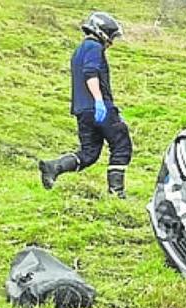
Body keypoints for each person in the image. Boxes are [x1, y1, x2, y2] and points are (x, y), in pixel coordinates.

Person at [37, 12, 132, 198]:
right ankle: (116, 193)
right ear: (102, 32)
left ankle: (54, 167)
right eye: (111, 37)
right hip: (99, 108)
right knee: (121, 146)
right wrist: (99, 101)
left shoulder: (78, 50)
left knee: (89, 153)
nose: (111, 42)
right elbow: (90, 73)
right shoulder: (94, 47)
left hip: (82, 111)